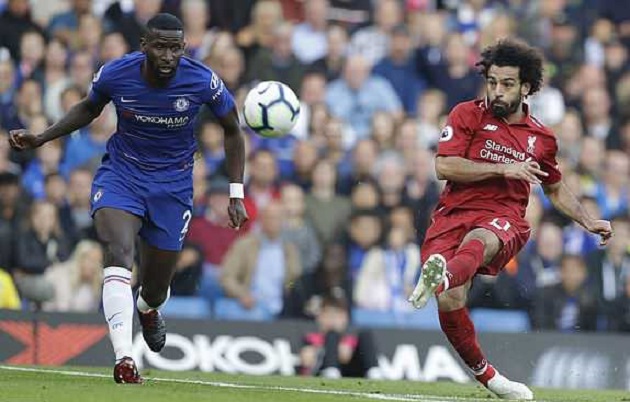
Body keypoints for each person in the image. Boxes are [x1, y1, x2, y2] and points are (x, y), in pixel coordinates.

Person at [8, 13, 248, 384]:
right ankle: (124, 358)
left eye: (175, 48)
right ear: (144, 45)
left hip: (173, 188)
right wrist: (43, 137)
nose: (168, 56)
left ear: (184, 48)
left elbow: (232, 129)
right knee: (118, 252)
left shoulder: (202, 80)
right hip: (122, 176)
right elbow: (89, 108)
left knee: (155, 288)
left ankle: (147, 309)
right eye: (160, 47)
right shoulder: (116, 73)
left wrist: (235, 191)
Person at [407, 39, 613, 400]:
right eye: (492, 82)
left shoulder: (541, 138)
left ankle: (443, 276)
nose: (497, 92)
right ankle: (490, 378)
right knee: (451, 302)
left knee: (481, 238)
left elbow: (554, 188)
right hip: (452, 215)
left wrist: (587, 219)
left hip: (503, 218)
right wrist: (503, 167)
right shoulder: (466, 114)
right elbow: (444, 166)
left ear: (526, 87)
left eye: (506, 84)